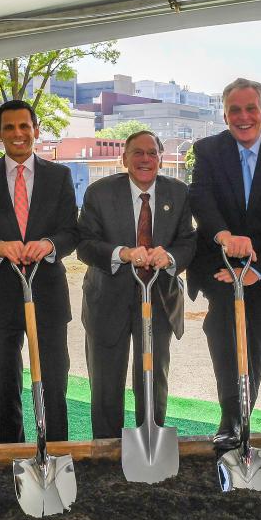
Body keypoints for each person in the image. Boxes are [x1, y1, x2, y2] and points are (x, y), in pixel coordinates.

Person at [188, 77, 261, 451]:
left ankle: (240, 419)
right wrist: (224, 236)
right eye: (234, 110)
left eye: (250, 108)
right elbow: (201, 200)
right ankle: (232, 420)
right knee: (222, 339)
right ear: (224, 115)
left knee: (253, 345)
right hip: (220, 268)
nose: (243, 116)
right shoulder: (207, 150)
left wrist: (258, 269)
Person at [0, 99, 79, 443]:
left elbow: (71, 232)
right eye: (9, 127)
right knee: (5, 386)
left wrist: (49, 245)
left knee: (54, 382)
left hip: (48, 298)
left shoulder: (60, 176)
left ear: (36, 130)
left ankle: (56, 454)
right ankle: (10, 457)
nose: (18, 134)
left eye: (24, 126)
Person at [77, 130, 196, 438]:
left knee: (153, 378)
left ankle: (150, 440)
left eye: (152, 153)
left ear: (161, 158)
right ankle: (106, 448)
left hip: (158, 300)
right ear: (124, 158)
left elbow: (187, 242)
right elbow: (85, 245)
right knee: (105, 383)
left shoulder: (179, 193)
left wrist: (168, 257)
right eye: (138, 153)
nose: (145, 159)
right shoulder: (99, 192)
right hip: (107, 299)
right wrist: (123, 253)